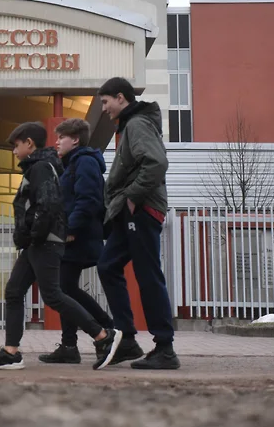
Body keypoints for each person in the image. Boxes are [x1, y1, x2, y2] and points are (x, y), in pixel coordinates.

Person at [0, 122, 121, 371]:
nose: (14, 151)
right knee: (14, 291)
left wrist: (34, 235)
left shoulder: (41, 167)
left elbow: (46, 205)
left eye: (16, 145)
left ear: (29, 143)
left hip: (43, 242)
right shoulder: (40, 167)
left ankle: (102, 336)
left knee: (53, 295)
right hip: (36, 242)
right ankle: (11, 352)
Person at [96, 77, 180, 369]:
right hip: (129, 211)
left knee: (148, 275)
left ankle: (165, 348)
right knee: (107, 265)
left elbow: (156, 163)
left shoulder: (137, 124)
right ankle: (127, 339)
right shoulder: (129, 125)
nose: (104, 109)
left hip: (141, 210)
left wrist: (132, 197)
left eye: (105, 102)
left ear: (121, 98)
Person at [38, 118, 115, 365]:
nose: (57, 142)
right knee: (65, 288)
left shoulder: (85, 162)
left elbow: (88, 199)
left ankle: (106, 327)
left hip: (80, 236)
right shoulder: (71, 164)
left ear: (75, 140)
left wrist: (70, 229)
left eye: (62, 137)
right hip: (73, 236)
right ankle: (70, 346)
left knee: (63, 289)